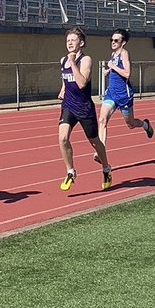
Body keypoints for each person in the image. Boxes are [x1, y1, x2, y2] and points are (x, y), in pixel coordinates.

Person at [57, 27, 110, 191]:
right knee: (63, 138)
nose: (70, 43)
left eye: (73, 40)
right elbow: (66, 80)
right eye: (68, 40)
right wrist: (63, 90)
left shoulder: (86, 60)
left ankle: (106, 168)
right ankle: (70, 172)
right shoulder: (62, 60)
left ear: (81, 42)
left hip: (84, 107)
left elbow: (81, 83)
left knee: (94, 141)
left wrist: (73, 62)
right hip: (68, 106)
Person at [97, 29, 154, 155]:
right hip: (111, 93)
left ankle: (146, 125)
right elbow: (115, 69)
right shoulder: (113, 55)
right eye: (111, 40)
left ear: (123, 42)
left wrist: (113, 67)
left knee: (131, 123)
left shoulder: (124, 54)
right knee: (102, 120)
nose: (113, 42)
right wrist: (108, 71)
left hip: (124, 95)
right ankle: (101, 150)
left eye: (116, 40)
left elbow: (127, 73)